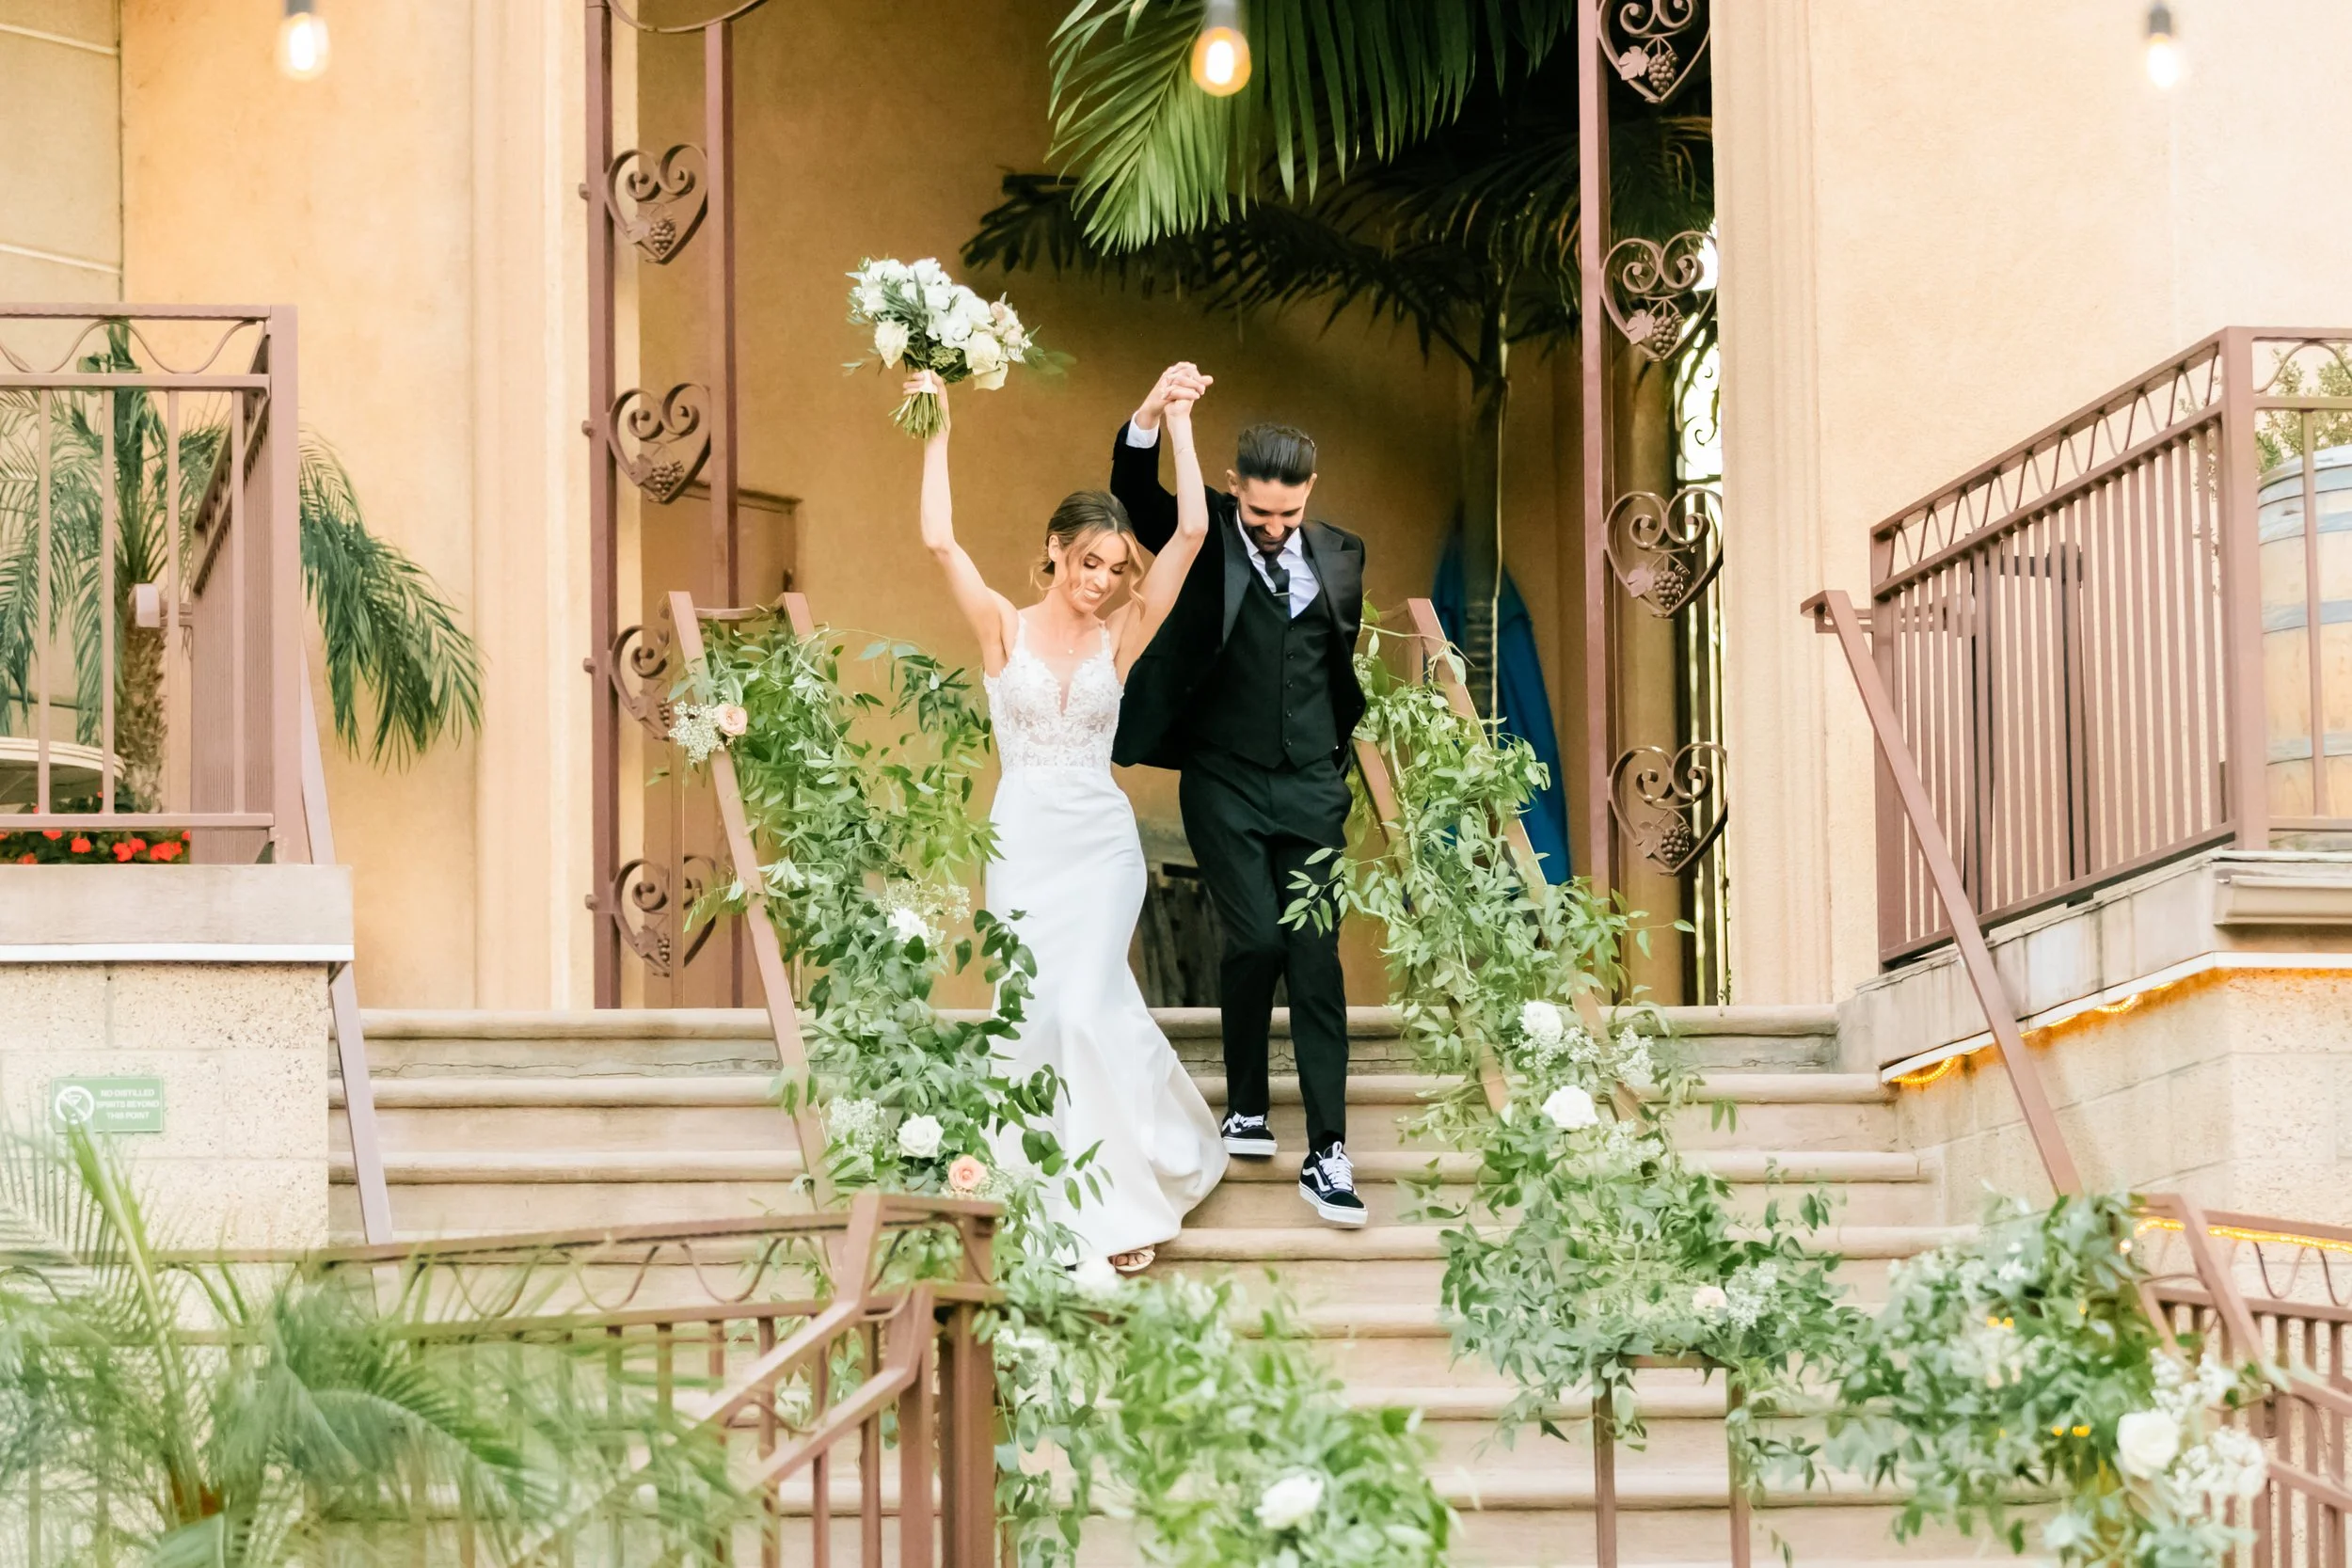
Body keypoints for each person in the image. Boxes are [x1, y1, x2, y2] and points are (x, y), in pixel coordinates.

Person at [905, 368, 1227, 1274]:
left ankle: (1125, 1205)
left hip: (1100, 846)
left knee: (1084, 1007)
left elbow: (1195, 530)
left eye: (1117, 568)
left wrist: (1178, 422)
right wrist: (936, 418)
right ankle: (1040, 1184)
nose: (1103, 580)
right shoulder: (1002, 627)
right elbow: (938, 540)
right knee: (1036, 1017)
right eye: (1090, 561)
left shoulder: (1120, 635)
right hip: (1022, 845)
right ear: (1055, 550)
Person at [1107, 364, 1369, 1228]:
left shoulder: (1340, 554)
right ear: (1233, 490)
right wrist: (1152, 413)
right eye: (1258, 512)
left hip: (1309, 786)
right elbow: (1133, 491)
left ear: (1308, 497)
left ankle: (1328, 1149)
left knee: (1315, 954)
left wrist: (1330, 765)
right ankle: (1247, 1102)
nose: (1271, 528)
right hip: (1221, 776)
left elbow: (1331, 664)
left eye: (1286, 515)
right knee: (1255, 935)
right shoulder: (1206, 531)